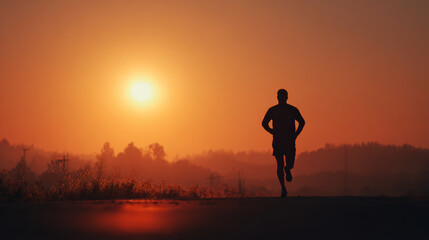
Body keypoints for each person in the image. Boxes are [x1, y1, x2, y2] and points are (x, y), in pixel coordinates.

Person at [262, 89, 305, 198]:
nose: (281, 98)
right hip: (279, 140)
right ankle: (283, 188)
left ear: (286, 97)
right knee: (279, 164)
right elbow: (264, 123)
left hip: (289, 140)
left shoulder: (292, 110)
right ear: (278, 98)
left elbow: (302, 122)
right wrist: (272, 131)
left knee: (289, 163)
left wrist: (296, 134)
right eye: (280, 96)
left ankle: (288, 169)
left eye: (283, 96)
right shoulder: (273, 110)